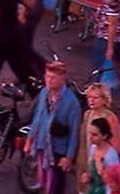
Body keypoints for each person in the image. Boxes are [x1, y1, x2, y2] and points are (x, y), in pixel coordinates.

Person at [26, 60, 82, 194]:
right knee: (44, 182)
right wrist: (30, 139)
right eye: (47, 76)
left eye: (53, 77)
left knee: (56, 186)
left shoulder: (72, 103)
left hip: (58, 150)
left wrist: (69, 157)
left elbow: (74, 133)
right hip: (43, 144)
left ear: (62, 78)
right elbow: (38, 117)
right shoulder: (45, 93)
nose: (49, 80)